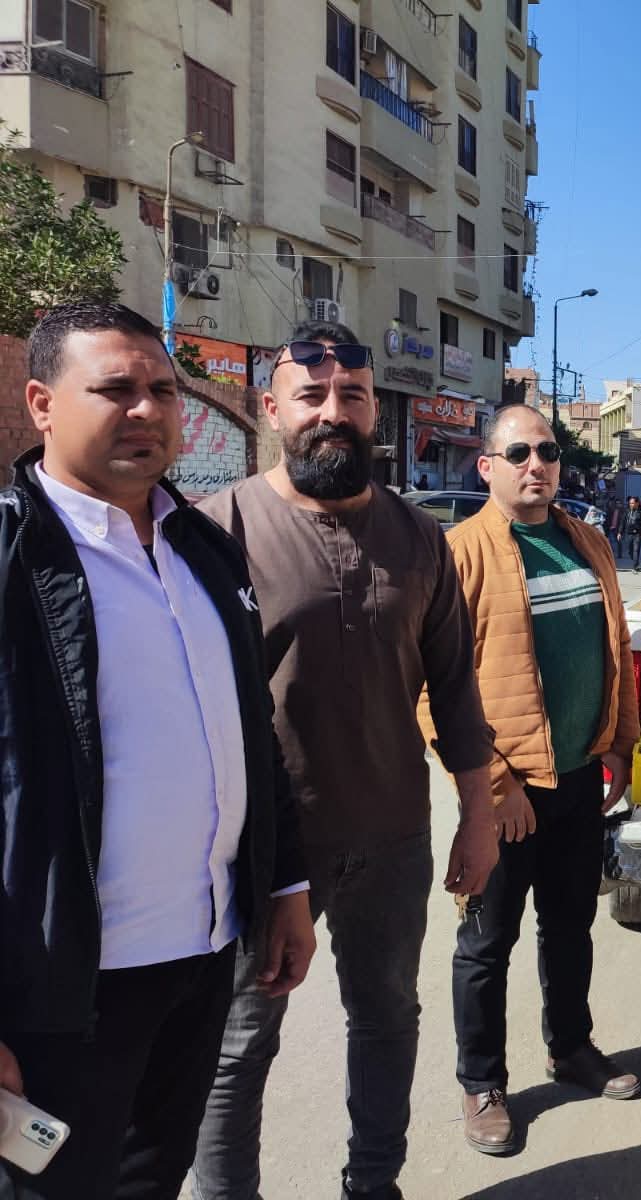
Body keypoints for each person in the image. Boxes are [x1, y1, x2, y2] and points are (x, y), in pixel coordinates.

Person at [0, 302, 314, 1199]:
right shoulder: (13, 558)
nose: (147, 410)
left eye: (164, 390)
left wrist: (284, 887)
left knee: (154, 1178)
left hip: (203, 956)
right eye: (115, 389)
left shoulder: (204, 550)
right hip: (61, 988)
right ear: (42, 404)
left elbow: (250, 732)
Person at [190, 321, 500, 1200]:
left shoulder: (419, 536)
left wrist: (477, 818)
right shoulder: (215, 533)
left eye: (353, 397)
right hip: (259, 847)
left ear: (373, 413)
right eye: (312, 396)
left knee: (387, 1016)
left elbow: (456, 689)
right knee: (239, 1043)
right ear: (272, 409)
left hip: (392, 834)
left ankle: (374, 1184)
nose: (334, 412)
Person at [420, 404, 641, 1156]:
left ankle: (570, 1047)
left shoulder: (586, 541)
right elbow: (428, 687)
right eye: (517, 453)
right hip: (508, 794)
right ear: (486, 466)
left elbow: (615, 648)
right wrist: (494, 786)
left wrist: (620, 744)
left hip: (580, 777)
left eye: (546, 451)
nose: (536, 465)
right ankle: (482, 1082)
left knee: (571, 925)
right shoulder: (460, 553)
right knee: (487, 943)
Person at [622, 495, 641, 570]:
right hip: (628, 533)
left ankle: (635, 566)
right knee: (629, 550)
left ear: (637, 503)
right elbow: (622, 522)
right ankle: (636, 562)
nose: (631, 505)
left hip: (638, 534)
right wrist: (619, 532)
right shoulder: (627, 511)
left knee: (636, 549)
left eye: (632, 503)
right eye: (630, 503)